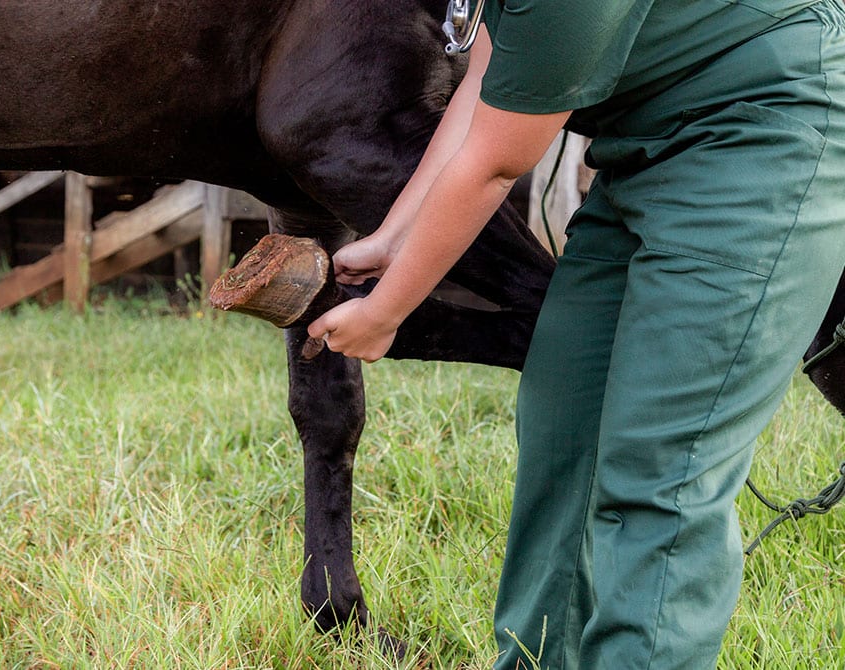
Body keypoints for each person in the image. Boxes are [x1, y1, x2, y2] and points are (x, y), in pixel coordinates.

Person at [307, 1, 845, 668]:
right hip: (643, 148)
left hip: (760, 141)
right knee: (565, 435)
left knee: (661, 472)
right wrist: (394, 237)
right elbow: (488, 82)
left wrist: (385, 312)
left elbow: (496, 163)